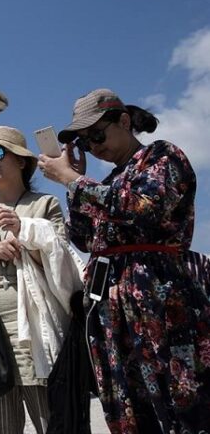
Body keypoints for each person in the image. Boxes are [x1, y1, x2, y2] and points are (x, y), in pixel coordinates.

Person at [38, 88, 210, 434]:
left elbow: (142, 207)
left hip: (159, 303)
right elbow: (84, 238)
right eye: (84, 142)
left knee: (178, 399)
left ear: (125, 121)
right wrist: (75, 185)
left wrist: (74, 180)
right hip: (112, 312)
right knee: (128, 406)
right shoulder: (106, 183)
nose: (93, 145)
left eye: (97, 134)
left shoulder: (162, 156)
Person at [0, 126, 82, 434]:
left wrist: (25, 230)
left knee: (58, 424)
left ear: (21, 161)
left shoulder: (45, 205)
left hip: (38, 334)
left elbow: (61, 263)